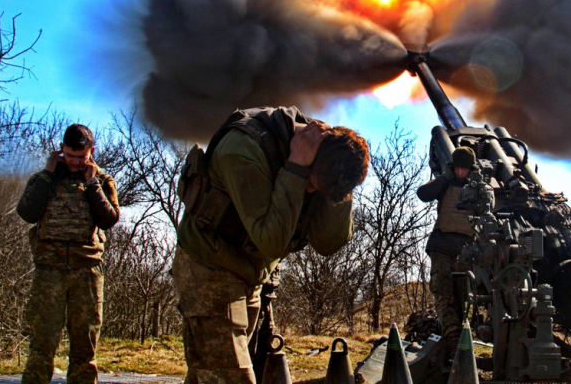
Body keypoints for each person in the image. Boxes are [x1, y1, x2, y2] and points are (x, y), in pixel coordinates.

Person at [172, 106, 369, 384]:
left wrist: (336, 192)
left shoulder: (327, 155)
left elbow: (328, 242)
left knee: (211, 372)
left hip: (251, 273)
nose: (309, 192)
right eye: (311, 185)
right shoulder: (243, 149)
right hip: (209, 267)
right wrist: (296, 170)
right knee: (230, 376)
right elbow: (271, 241)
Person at [17, 124, 121, 384]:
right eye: (70, 156)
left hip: (86, 272)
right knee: (41, 345)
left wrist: (91, 183)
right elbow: (27, 213)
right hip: (48, 271)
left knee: (84, 349)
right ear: (61, 149)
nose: (75, 162)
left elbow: (108, 219)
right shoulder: (45, 178)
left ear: (91, 152)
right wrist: (48, 174)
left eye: (81, 157)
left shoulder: (102, 181)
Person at [417, 146, 477, 359]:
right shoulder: (445, 183)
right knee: (443, 296)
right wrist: (445, 178)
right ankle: (453, 345)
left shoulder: (478, 186)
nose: (461, 173)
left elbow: (490, 206)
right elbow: (423, 194)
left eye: (465, 169)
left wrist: (479, 187)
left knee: (461, 301)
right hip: (442, 247)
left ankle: (457, 345)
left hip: (464, 251)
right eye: (458, 168)